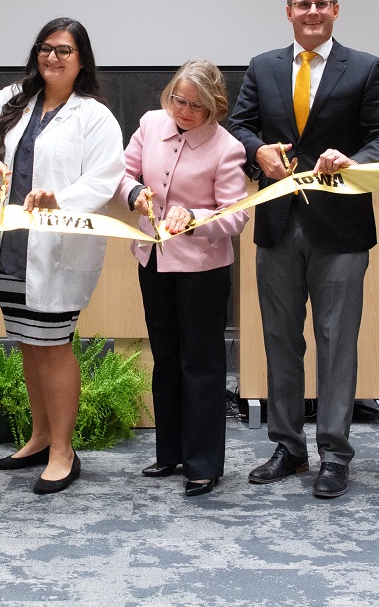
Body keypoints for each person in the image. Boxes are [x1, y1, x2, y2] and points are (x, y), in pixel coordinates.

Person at [228, 0, 379, 499]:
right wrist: (257, 151)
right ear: (288, 12)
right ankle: (288, 447)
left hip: (340, 229)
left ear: (336, 11)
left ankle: (334, 453)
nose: (312, 12)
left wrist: (353, 161)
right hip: (277, 224)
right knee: (280, 340)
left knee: (336, 342)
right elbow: (238, 126)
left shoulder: (366, 69)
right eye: (302, 4)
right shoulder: (263, 67)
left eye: (321, 4)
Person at [0, 18, 124, 495]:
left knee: (52, 346)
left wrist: (61, 202)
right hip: (10, 245)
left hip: (56, 248)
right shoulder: (15, 98)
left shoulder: (94, 115)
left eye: (64, 50)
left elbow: (106, 176)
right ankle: (40, 435)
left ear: (82, 59)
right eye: (46, 48)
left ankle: (63, 452)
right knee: (28, 344)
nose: (53, 57)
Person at [116, 60, 248, 497]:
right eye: (178, 100)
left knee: (201, 366)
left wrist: (194, 217)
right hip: (153, 261)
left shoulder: (227, 148)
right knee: (166, 358)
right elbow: (119, 173)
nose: (184, 111)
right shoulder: (152, 123)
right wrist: (133, 192)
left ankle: (204, 462)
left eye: (196, 105)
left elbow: (237, 216)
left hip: (202, 272)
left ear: (215, 107)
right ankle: (169, 452)